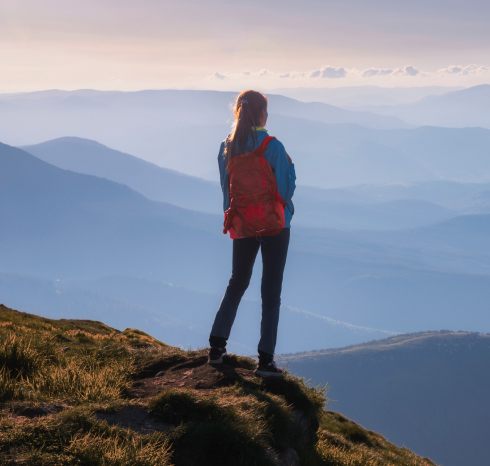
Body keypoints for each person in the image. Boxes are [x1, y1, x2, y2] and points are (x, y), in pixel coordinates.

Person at [208, 90, 296, 377]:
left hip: (243, 225)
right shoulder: (273, 146)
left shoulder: (227, 147)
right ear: (262, 115)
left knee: (237, 281)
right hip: (275, 225)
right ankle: (265, 360)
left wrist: (233, 220)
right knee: (271, 290)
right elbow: (285, 190)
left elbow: (226, 189)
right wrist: (291, 169)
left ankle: (216, 348)